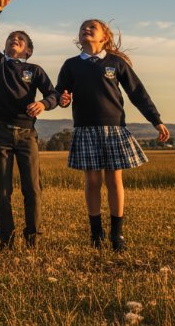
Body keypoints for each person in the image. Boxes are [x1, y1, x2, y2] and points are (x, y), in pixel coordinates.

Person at [57, 19, 169, 251]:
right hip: (85, 129)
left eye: (92, 27)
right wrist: (62, 99)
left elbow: (137, 93)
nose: (85, 30)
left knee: (113, 180)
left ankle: (117, 235)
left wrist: (155, 120)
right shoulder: (71, 65)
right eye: (82, 28)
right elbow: (61, 92)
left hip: (114, 128)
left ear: (104, 37)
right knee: (92, 181)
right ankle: (96, 233)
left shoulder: (116, 63)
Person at [0, 0, 57, 249]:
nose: (15, 39)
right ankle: (6, 238)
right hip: (0, 133)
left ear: (27, 51)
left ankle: (32, 237)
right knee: (2, 190)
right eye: (11, 37)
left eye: (20, 39)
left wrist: (44, 104)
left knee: (32, 189)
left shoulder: (34, 70)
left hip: (27, 135)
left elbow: (53, 94)